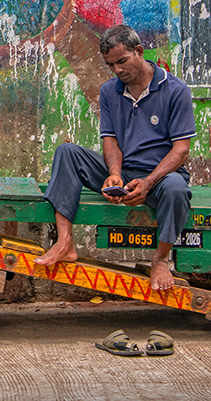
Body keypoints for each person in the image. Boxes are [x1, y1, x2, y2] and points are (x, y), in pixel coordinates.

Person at [35, 25, 196, 291]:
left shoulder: (175, 90)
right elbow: (110, 140)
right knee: (67, 152)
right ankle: (65, 242)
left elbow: (181, 150)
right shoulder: (110, 91)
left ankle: (160, 259)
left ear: (139, 52)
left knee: (177, 190)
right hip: (124, 170)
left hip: (161, 176)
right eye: (111, 65)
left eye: (122, 61)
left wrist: (148, 182)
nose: (118, 70)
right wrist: (114, 174)